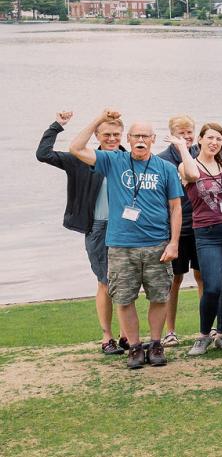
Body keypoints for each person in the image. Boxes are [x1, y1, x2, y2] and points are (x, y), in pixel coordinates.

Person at [66, 111, 184, 370]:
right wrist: (98, 119)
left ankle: (155, 344)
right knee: (123, 298)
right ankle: (134, 347)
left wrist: (174, 242)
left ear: (153, 139)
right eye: (136, 136)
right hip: (121, 245)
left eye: (145, 136)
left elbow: (176, 208)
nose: (141, 140)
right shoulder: (113, 161)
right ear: (128, 139)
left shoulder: (166, 168)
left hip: (157, 244)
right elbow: (75, 148)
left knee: (159, 297)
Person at [157, 92, 222, 346]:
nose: (185, 136)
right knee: (174, 280)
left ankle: (213, 330)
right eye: (180, 132)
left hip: (211, 226)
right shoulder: (166, 160)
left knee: (208, 280)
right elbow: (190, 177)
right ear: (172, 133)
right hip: (181, 227)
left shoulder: (210, 152)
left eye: (189, 132)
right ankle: (171, 330)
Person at [38, 110, 126, 354]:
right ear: (96, 134)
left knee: (125, 282)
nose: (111, 138)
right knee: (105, 282)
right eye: (106, 133)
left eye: (116, 134)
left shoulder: (128, 160)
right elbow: (43, 154)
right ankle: (107, 336)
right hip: (98, 227)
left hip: (126, 229)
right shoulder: (81, 158)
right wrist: (58, 125)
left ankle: (127, 335)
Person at [175, 122, 222, 355]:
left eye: (218, 139)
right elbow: (190, 174)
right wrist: (181, 147)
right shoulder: (187, 165)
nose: (214, 142)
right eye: (209, 138)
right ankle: (203, 335)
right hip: (208, 233)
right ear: (200, 140)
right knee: (212, 287)